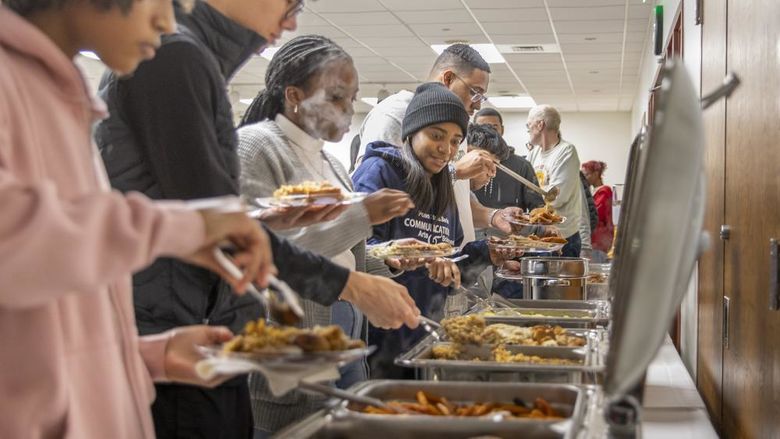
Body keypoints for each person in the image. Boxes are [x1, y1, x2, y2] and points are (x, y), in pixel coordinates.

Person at [94, 1, 420, 437]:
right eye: (289, 4)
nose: (290, 21)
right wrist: (351, 285)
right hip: (176, 329)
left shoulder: (191, 58)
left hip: (199, 328)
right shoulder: (176, 57)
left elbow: (210, 217)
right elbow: (213, 223)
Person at [0, 0, 279, 437]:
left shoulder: (62, 94)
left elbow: (49, 319)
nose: (168, 21)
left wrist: (148, 357)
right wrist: (183, 228)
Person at [236, 35, 416, 435]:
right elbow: (269, 255)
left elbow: (348, 256)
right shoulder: (255, 148)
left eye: (352, 99)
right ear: (295, 96)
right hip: (291, 346)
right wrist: (362, 215)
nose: (349, 111)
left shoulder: (329, 163)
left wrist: (391, 267)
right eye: (336, 98)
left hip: (345, 337)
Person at [353, 83, 506, 379]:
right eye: (436, 136)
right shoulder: (379, 172)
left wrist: (488, 253)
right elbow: (355, 250)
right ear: (412, 131)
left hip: (423, 332)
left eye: (454, 141)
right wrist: (396, 256)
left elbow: (451, 258)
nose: (446, 149)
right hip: (380, 337)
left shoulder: (442, 185)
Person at [357, 44, 519, 245]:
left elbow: (448, 202)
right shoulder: (395, 112)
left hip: (448, 262)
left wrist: (493, 216)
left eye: (454, 140)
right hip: (403, 268)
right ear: (448, 78)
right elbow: (379, 197)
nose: (478, 105)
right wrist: (456, 172)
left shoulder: (456, 124)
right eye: (474, 93)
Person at [525, 105, 584, 257]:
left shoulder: (566, 151)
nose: (527, 129)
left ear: (540, 125)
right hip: (539, 235)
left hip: (563, 238)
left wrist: (533, 198)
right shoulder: (534, 153)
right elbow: (526, 190)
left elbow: (557, 198)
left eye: (529, 124)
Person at [472, 108, 545, 218]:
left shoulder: (522, 166)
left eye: (494, 127)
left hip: (510, 232)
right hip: (472, 231)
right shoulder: (463, 163)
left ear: (502, 129)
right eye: (482, 128)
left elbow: (537, 207)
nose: (488, 133)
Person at [582, 161, 614, 262]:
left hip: (599, 242)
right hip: (593, 242)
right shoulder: (594, 192)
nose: (585, 178)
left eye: (587, 174)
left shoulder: (605, 191)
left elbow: (597, 213)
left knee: (594, 274)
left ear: (596, 174)